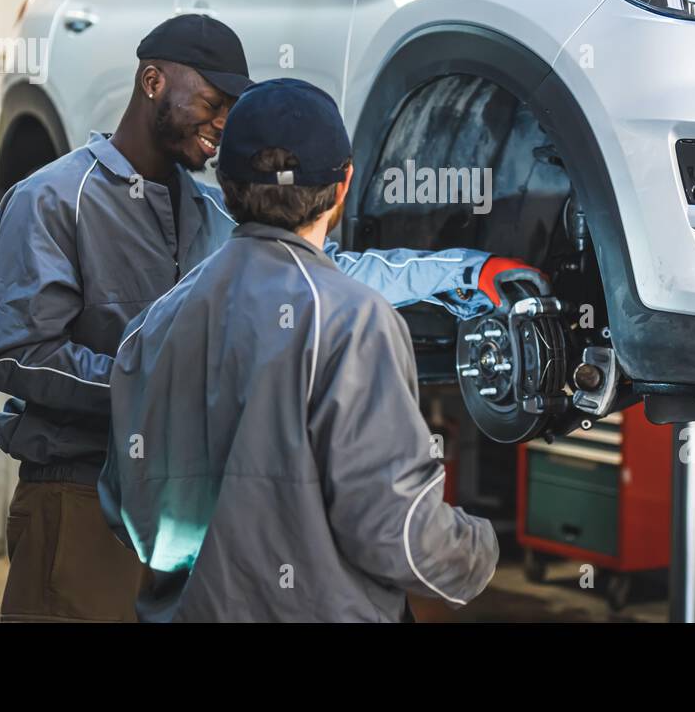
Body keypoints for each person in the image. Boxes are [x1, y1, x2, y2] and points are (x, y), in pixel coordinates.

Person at [0, 14, 528, 622]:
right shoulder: (53, 198)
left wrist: (462, 271)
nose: (221, 122)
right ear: (153, 80)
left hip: (184, 504)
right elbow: (16, 354)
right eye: (212, 102)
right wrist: (156, 390)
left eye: (231, 110)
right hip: (78, 496)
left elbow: (327, 272)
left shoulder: (213, 211)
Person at [102, 78, 500, 622]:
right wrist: (479, 548)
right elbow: (400, 534)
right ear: (343, 186)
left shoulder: (155, 323)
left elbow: (125, 508)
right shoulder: (353, 320)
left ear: (224, 182)